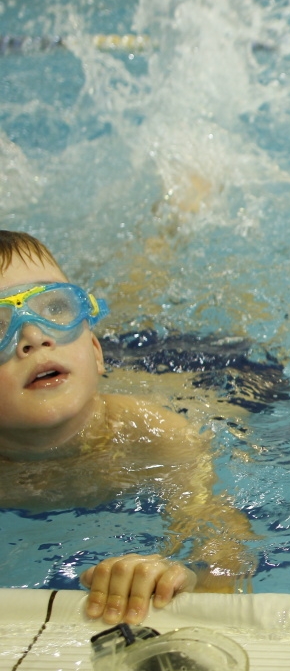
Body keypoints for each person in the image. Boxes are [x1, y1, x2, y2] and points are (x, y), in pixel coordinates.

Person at [0, 230, 257, 624]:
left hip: (203, 371)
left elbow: (219, 534)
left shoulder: (156, 436)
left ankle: (170, 225)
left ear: (96, 353)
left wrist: (183, 572)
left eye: (55, 308)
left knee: (144, 294)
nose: (34, 336)